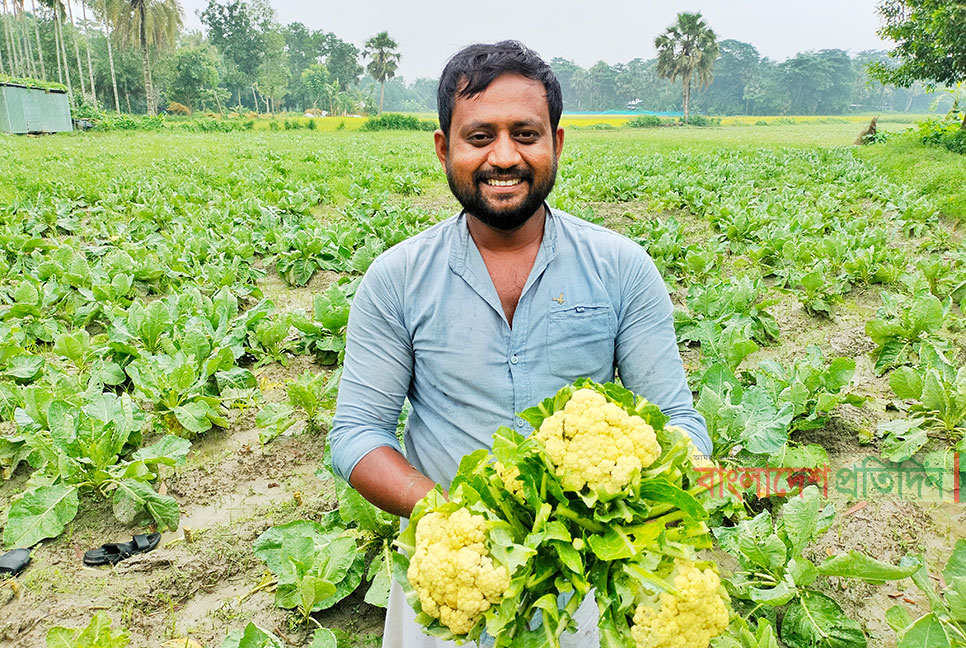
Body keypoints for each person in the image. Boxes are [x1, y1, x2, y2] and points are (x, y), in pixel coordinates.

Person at [329, 40, 711, 648]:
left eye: (525, 134)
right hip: (454, 576)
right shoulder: (396, 278)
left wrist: (657, 490)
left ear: (557, 143)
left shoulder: (621, 268)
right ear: (443, 147)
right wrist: (453, 518)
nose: (504, 156)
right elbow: (356, 435)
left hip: (586, 581)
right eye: (480, 136)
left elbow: (678, 418)